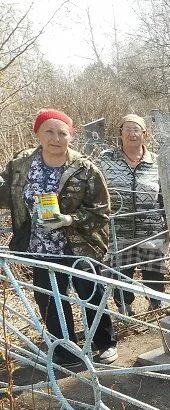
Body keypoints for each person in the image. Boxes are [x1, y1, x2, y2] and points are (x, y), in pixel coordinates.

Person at [0, 108, 117, 366]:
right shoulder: (20, 165)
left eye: (62, 133)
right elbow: (5, 196)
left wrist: (69, 219)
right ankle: (66, 349)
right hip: (39, 246)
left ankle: (104, 342)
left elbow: (101, 212)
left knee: (90, 292)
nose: (56, 138)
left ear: (70, 136)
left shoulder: (85, 169)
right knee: (49, 297)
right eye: (49, 132)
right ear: (38, 133)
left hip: (80, 245)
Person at [99, 114, 168, 314]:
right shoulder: (106, 159)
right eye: (127, 129)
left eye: (136, 129)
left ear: (144, 134)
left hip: (151, 228)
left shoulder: (157, 162)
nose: (132, 133)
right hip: (119, 229)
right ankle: (125, 306)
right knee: (121, 271)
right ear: (120, 133)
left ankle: (156, 304)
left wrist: (168, 227)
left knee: (154, 271)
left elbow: (164, 194)